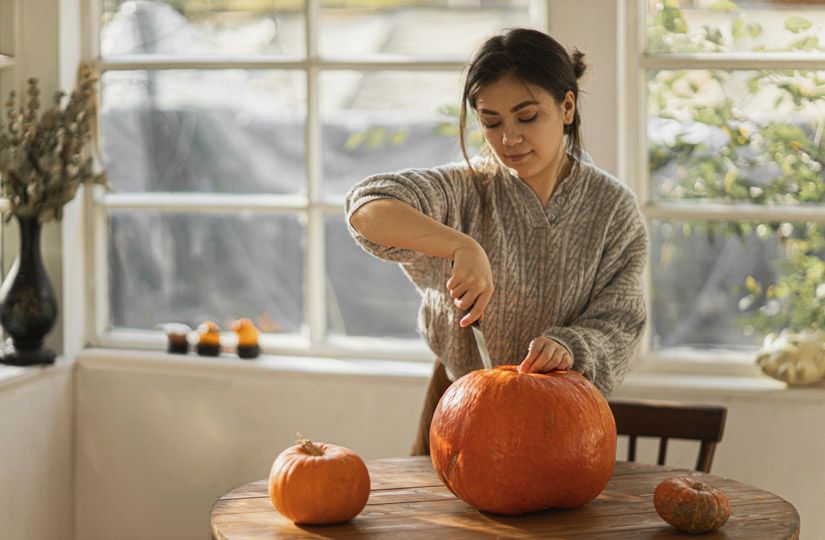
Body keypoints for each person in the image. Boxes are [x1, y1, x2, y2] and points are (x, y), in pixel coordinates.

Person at [345, 28, 648, 456]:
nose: (509, 139)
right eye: (491, 122)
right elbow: (366, 207)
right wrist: (461, 245)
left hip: (565, 418)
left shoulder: (613, 208)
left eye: (526, 117)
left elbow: (620, 321)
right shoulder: (463, 191)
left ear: (567, 106)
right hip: (460, 406)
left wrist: (568, 347)